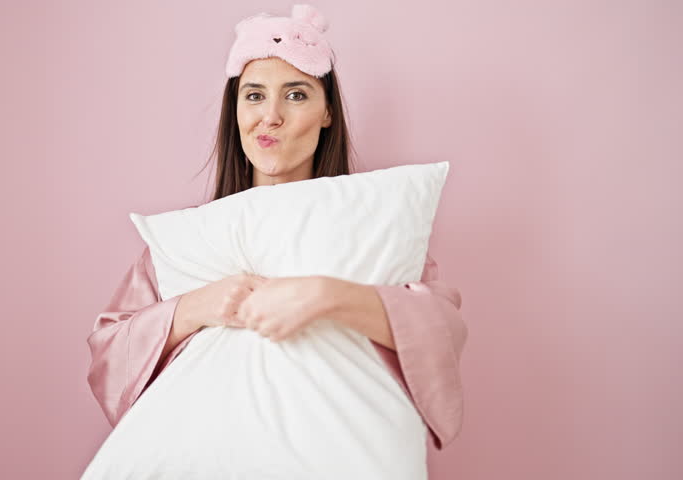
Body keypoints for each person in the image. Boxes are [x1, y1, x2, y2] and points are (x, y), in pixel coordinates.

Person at [83, 4, 467, 477]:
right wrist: (198, 306)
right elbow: (110, 354)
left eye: (296, 95)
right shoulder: (189, 242)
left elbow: (441, 329)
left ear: (328, 112)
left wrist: (329, 295)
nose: (270, 116)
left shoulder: (370, 229)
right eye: (254, 95)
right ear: (236, 110)